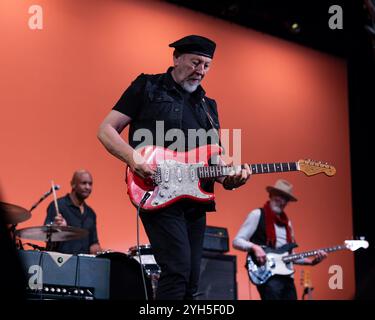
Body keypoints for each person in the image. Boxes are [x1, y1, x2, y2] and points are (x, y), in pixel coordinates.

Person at [97, 34, 251, 300]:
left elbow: (215, 158)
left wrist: (231, 177)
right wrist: (135, 160)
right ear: (176, 58)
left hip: (195, 198)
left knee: (191, 280)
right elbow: (106, 129)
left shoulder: (207, 106)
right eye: (195, 62)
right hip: (156, 190)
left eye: (206, 66)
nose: (200, 71)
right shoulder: (147, 86)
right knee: (177, 269)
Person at [233, 179, 327, 300]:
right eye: (279, 196)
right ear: (271, 195)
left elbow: (290, 255)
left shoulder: (287, 223)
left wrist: (312, 262)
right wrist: (255, 247)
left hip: (287, 276)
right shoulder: (257, 214)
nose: (282, 201)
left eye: (285, 198)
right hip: (267, 274)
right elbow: (237, 241)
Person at [44, 170, 103, 255]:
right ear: (73, 184)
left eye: (90, 184)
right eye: (84, 183)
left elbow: (93, 244)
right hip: (60, 262)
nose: (88, 187)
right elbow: (47, 237)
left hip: (83, 263)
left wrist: (105, 253)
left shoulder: (91, 213)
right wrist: (57, 229)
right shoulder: (58, 205)